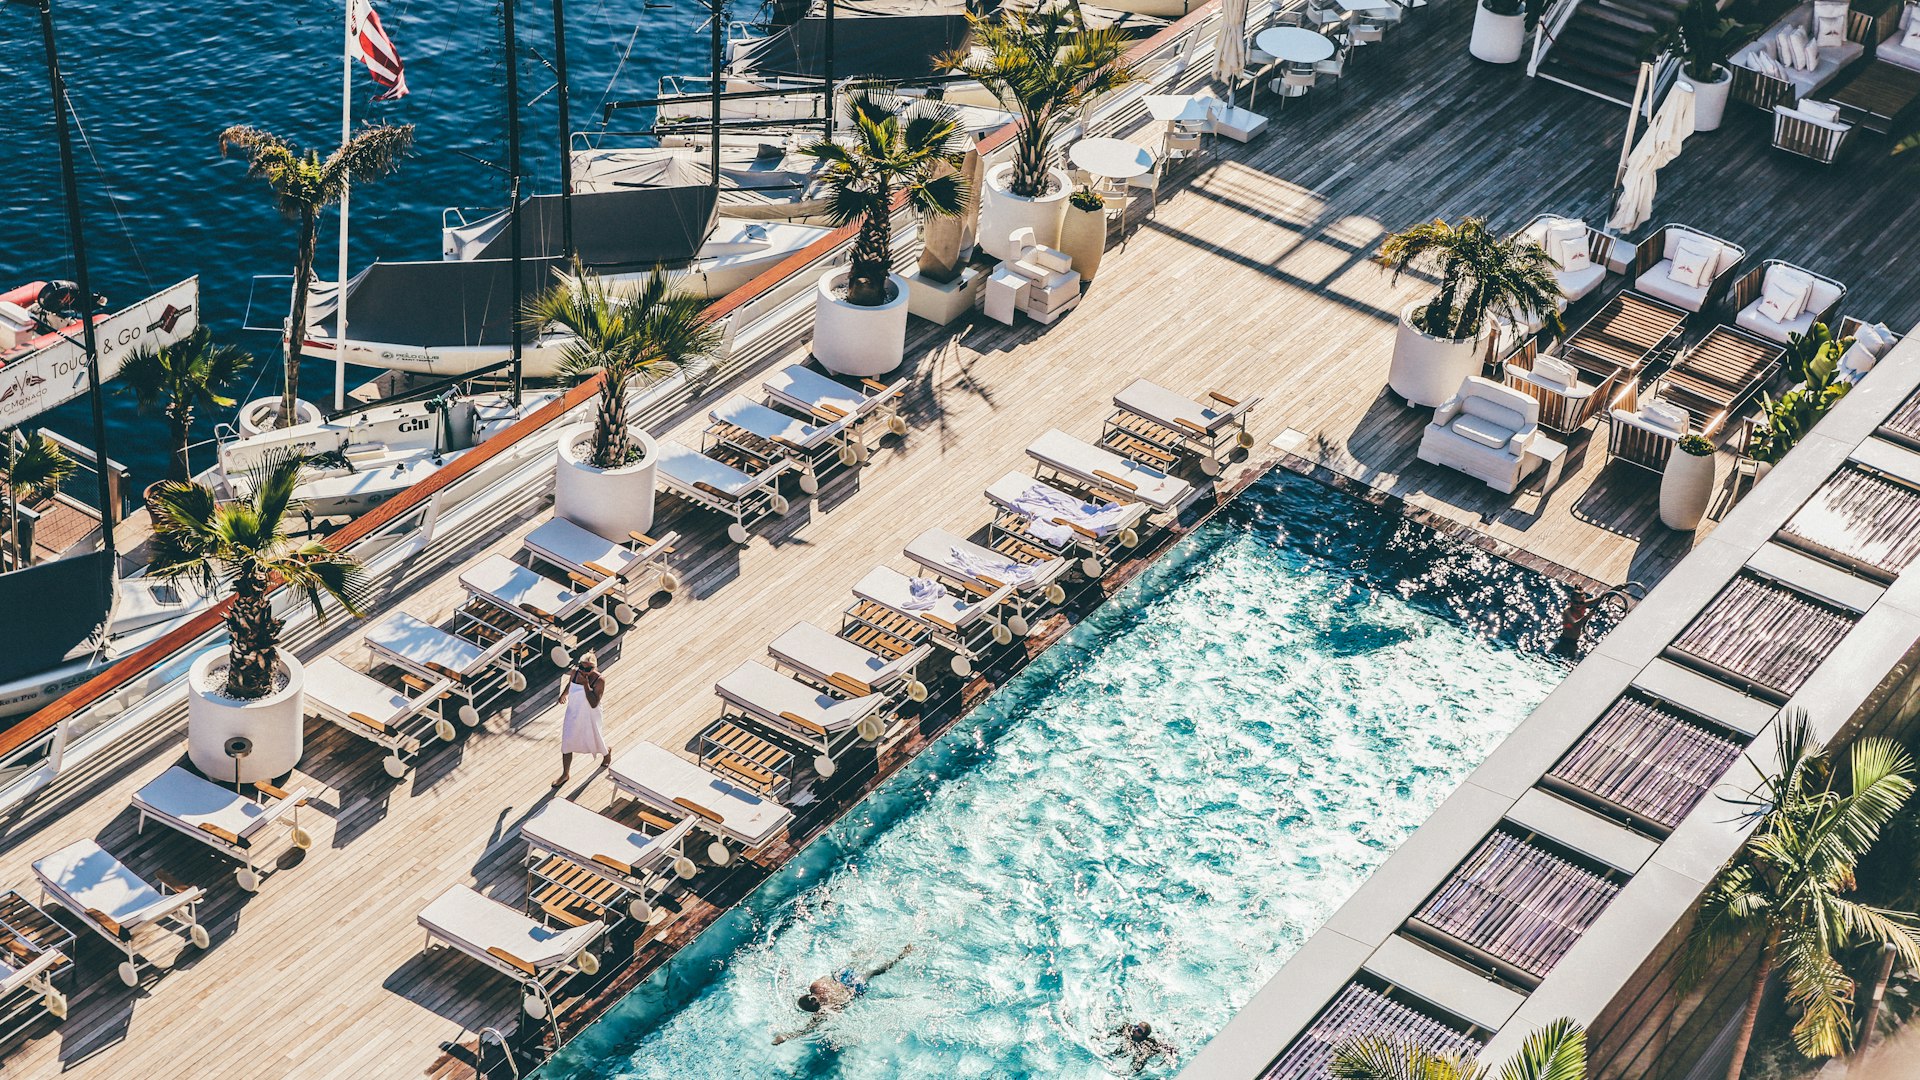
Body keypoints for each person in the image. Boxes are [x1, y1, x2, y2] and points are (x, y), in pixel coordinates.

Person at [771, 945, 913, 1045]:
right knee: (873, 972)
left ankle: (875, 945)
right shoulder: (824, 1011)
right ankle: (901, 956)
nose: (814, 1001)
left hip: (842, 977)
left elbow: (828, 978)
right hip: (854, 988)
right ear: (815, 1010)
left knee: (859, 959)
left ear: (808, 994)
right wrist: (785, 1037)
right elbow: (807, 1029)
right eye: (813, 1005)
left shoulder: (815, 986)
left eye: (810, 999)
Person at [552, 652, 610, 789]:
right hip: (574, 711)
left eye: (588, 669)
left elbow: (594, 703)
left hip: (590, 714)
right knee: (567, 742)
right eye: (581, 668)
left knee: (594, 738)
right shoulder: (575, 673)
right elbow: (570, 684)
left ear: (594, 668)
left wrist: (585, 685)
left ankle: (607, 753)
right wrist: (563, 694)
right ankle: (565, 773)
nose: (584, 672)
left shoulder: (599, 680)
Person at [1108, 1020, 1175, 1073]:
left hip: (1140, 1049)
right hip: (1131, 1044)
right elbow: (1113, 1033)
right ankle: (1110, 1056)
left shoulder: (1146, 1044)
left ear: (1143, 1035)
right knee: (1122, 1048)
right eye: (1137, 1026)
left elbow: (1165, 1047)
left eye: (1139, 1030)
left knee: (1139, 1059)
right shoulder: (1129, 1029)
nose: (1135, 1029)